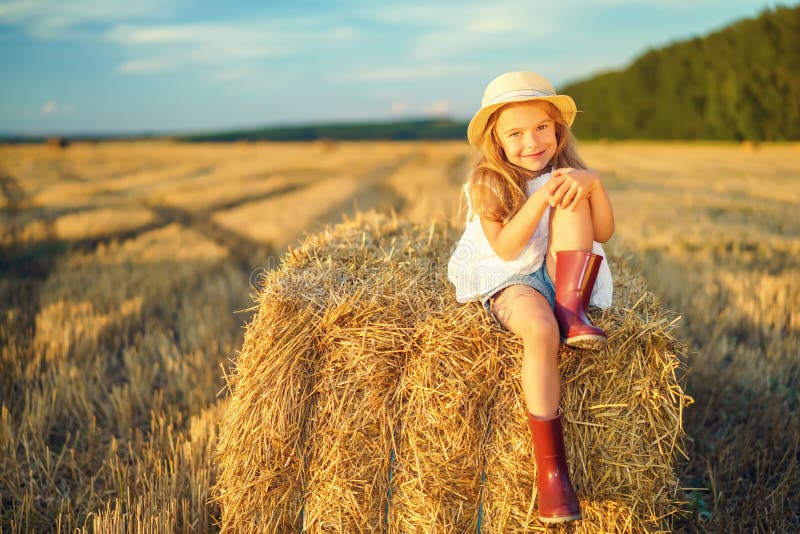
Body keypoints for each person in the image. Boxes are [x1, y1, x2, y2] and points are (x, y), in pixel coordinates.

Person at [447, 71, 615, 523]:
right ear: (498, 142)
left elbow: (603, 233)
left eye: (542, 127)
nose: (532, 141)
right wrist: (540, 200)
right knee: (539, 333)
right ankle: (552, 473)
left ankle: (573, 311)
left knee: (572, 196)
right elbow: (506, 249)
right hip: (511, 280)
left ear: (557, 128)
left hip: (561, 275)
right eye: (516, 133)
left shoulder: (566, 170)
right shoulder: (488, 180)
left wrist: (591, 183)